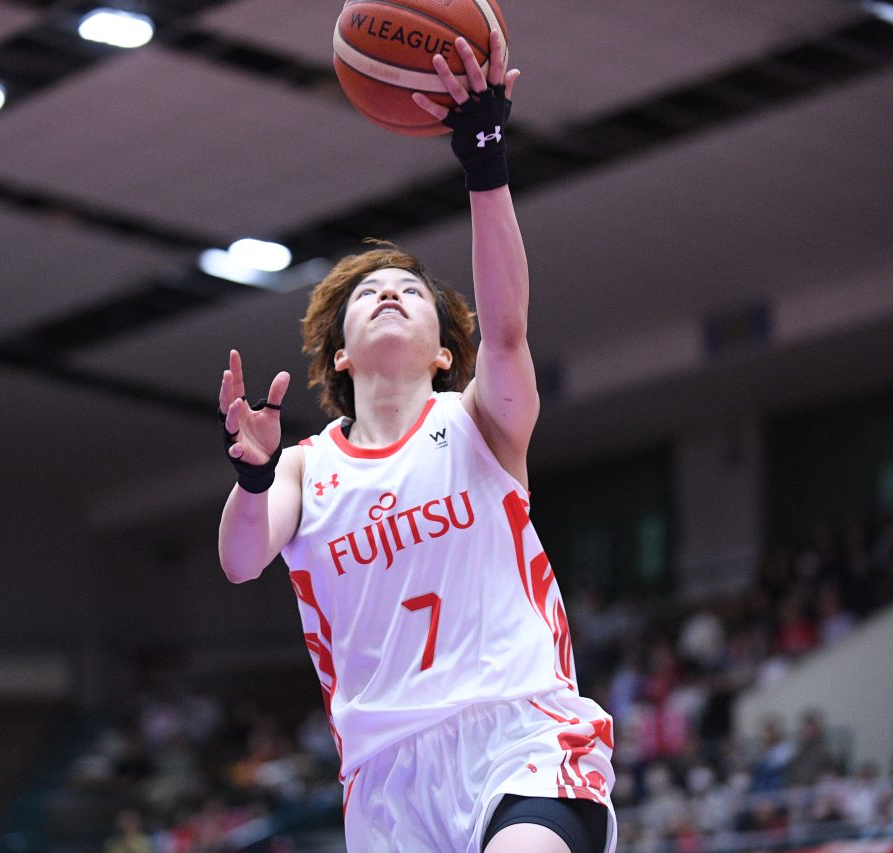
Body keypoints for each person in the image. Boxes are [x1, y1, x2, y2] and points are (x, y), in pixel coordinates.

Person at [215, 29, 615, 853]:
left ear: (443, 349)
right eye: (369, 294)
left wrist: (484, 161)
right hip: (387, 778)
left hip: (520, 736)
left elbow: (507, 329)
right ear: (339, 352)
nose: (390, 294)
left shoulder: (479, 421)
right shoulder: (305, 466)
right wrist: (253, 476)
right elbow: (241, 559)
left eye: (410, 290)